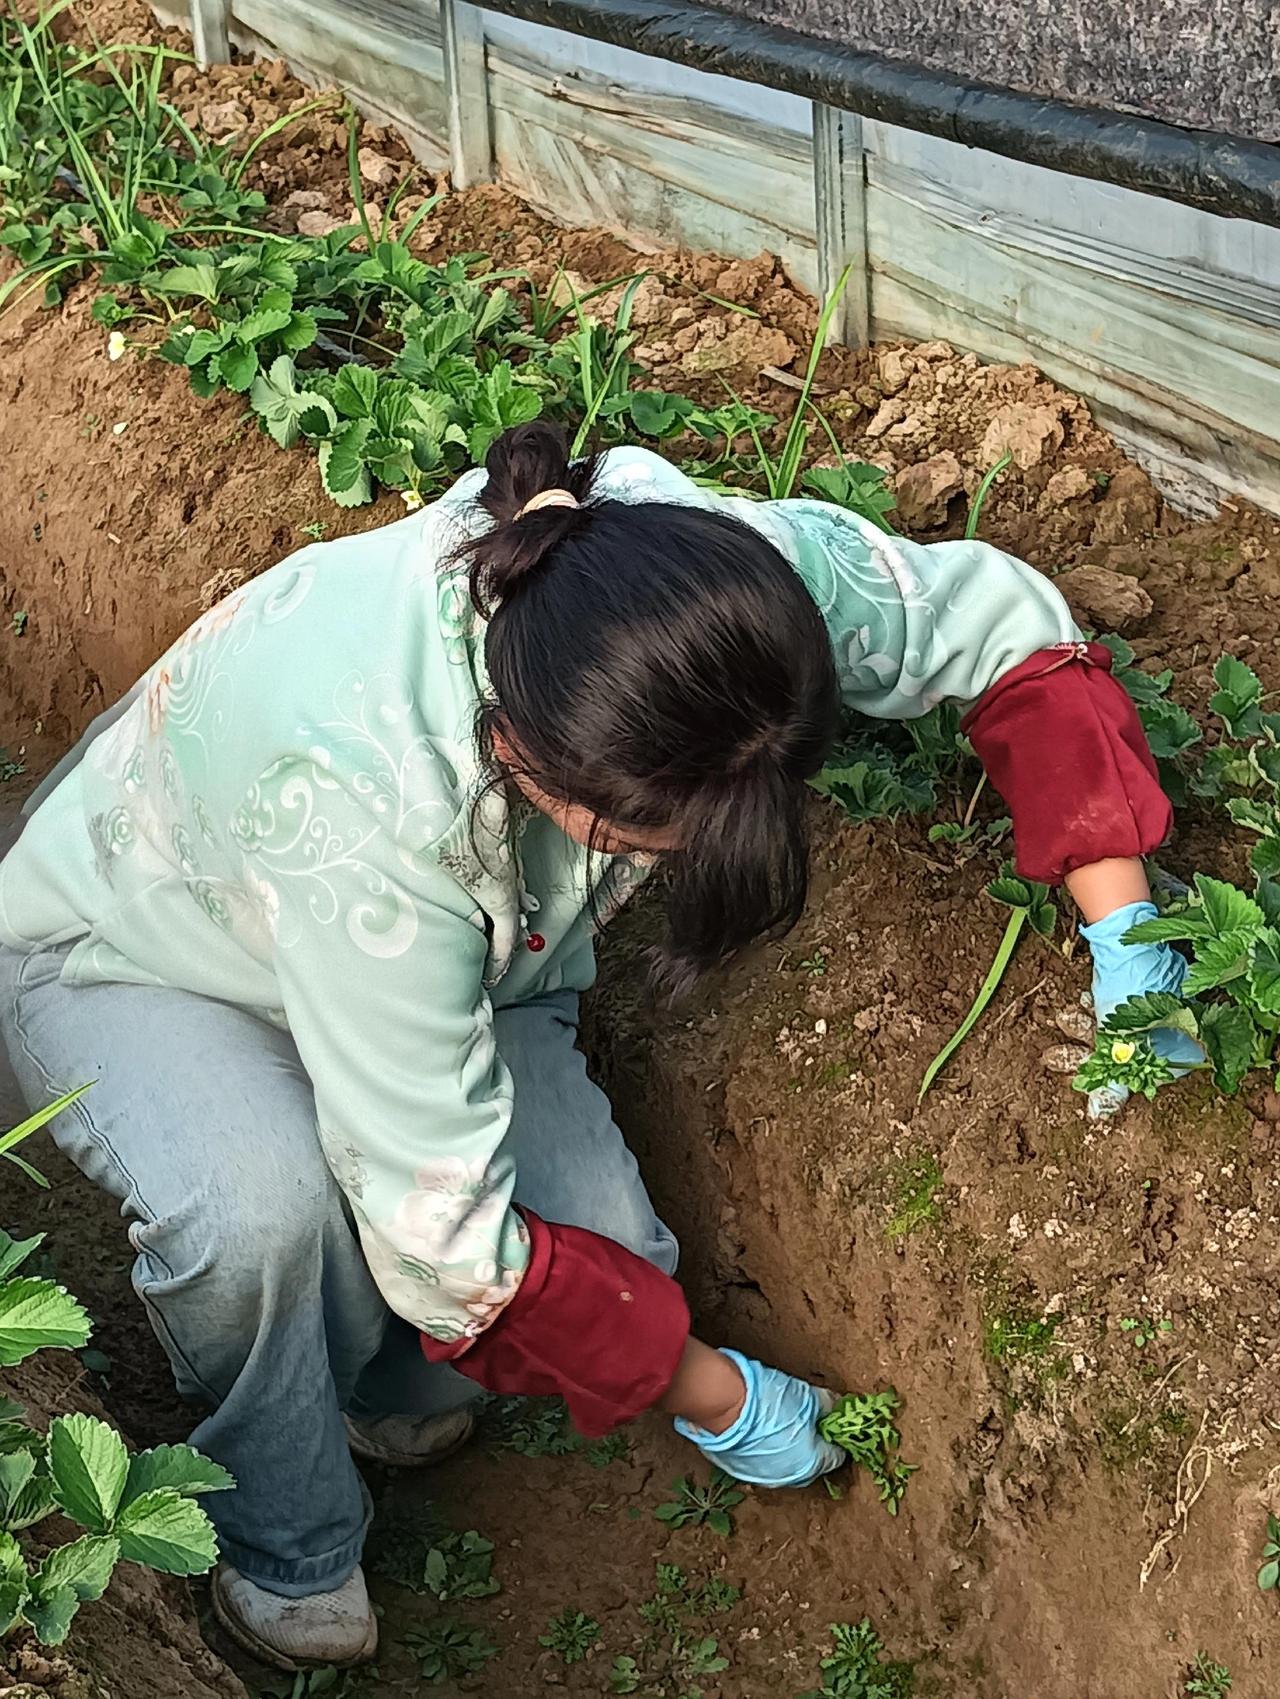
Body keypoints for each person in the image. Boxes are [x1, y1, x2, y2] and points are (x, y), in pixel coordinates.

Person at [0, 423, 1193, 1670]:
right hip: (137, 951)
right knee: (267, 1213)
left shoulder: (716, 594)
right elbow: (449, 1250)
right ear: (527, 763)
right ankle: (287, 1538)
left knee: (611, 1253)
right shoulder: (375, 807)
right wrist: (719, 1397)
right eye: (648, 843)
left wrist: (1126, 928)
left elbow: (1005, 627)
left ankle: (382, 1393)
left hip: (466, 966)